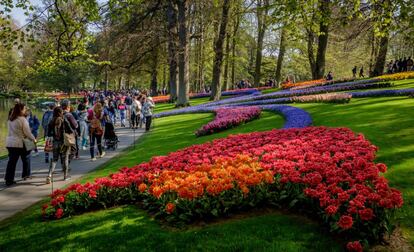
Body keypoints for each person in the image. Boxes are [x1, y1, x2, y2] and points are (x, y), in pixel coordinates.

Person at [5, 103, 36, 186]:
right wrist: (33, 139)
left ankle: (8, 179)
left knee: (11, 162)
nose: (25, 110)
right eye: (24, 109)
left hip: (10, 143)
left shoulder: (10, 119)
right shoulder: (22, 119)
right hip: (19, 143)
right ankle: (26, 174)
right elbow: (27, 132)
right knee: (26, 157)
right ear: (21, 110)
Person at [46, 104, 77, 183]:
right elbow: (70, 130)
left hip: (55, 142)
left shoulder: (51, 121)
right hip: (64, 142)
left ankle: (49, 175)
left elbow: (48, 133)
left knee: (54, 159)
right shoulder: (64, 119)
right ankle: (65, 176)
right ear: (61, 112)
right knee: (65, 158)